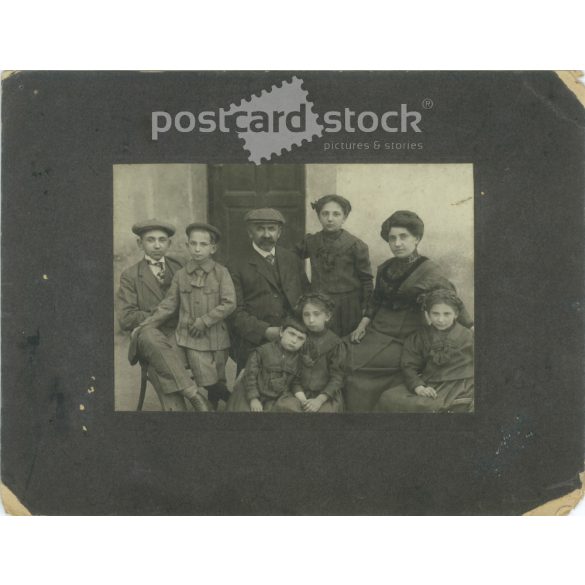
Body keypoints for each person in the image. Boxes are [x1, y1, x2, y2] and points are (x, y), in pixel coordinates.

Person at [345, 210, 473, 412]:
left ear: (417, 239)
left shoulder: (430, 270)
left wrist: (471, 326)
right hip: (377, 330)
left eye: (403, 237)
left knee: (357, 363)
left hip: (405, 335)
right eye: (392, 238)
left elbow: (452, 301)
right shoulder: (385, 267)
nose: (397, 243)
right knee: (341, 353)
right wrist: (363, 324)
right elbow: (376, 299)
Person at [137, 223, 236, 410]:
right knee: (197, 374)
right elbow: (168, 305)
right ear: (187, 245)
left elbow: (229, 303)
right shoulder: (181, 275)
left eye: (203, 244)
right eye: (193, 244)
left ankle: (220, 402)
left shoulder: (221, 273)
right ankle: (201, 401)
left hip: (215, 337)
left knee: (217, 380)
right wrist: (146, 324)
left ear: (212, 248)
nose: (197, 249)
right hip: (188, 337)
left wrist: (205, 321)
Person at [117, 219, 201, 411]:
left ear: (169, 244)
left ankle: (180, 407)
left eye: (162, 240)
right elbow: (126, 318)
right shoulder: (130, 275)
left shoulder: (182, 265)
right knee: (148, 334)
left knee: (161, 366)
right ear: (140, 244)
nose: (157, 245)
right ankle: (194, 394)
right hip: (149, 337)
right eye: (150, 240)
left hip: (180, 334)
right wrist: (162, 314)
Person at [227, 208, 307, 372]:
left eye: (271, 229)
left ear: (279, 232)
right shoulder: (235, 264)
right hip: (254, 341)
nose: (266, 234)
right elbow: (234, 312)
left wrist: (296, 329)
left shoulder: (291, 259)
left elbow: (306, 297)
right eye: (260, 229)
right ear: (250, 233)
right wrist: (265, 331)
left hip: (292, 337)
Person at [374, 289, 474, 412]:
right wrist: (419, 387)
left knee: (432, 407)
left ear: (456, 314)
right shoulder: (419, 337)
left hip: (460, 385)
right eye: (435, 314)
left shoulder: (469, 336)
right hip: (430, 382)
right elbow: (408, 365)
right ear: (427, 314)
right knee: (388, 398)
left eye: (447, 314)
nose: (440, 319)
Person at [295, 195, 373, 337]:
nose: (330, 219)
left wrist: (366, 310)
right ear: (319, 216)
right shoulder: (311, 242)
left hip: (348, 306)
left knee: (346, 343)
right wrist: (305, 284)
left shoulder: (356, 245)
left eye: (336, 214)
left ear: (344, 217)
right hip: (319, 304)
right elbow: (289, 259)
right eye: (325, 214)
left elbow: (366, 280)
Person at [272, 293, 345, 413]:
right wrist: (302, 399)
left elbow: (337, 378)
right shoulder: (299, 338)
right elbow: (293, 373)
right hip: (298, 392)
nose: (311, 320)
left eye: (316, 314)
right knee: (287, 408)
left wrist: (319, 400)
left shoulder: (335, 343)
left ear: (327, 316)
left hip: (325, 395)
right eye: (306, 315)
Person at [225, 318, 307, 412]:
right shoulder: (262, 351)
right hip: (252, 391)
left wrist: (303, 400)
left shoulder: (298, 360)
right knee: (243, 412)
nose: (294, 341)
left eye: (300, 338)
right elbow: (249, 376)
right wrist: (253, 399)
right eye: (291, 334)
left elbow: (295, 383)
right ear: (281, 332)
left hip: (277, 396)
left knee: (292, 408)